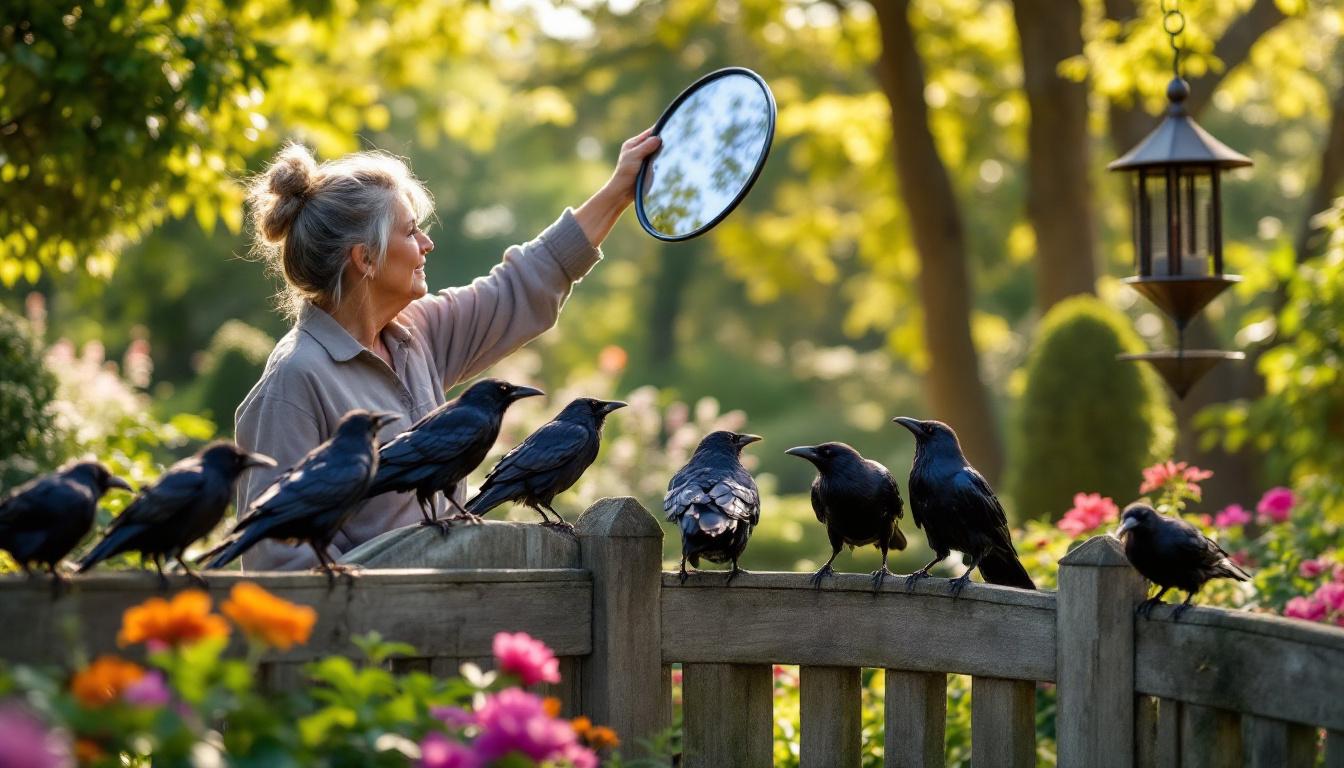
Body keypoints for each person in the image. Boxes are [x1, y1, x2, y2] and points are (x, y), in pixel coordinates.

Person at [234, 129, 661, 570]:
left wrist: (619, 192)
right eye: (411, 231)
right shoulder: (293, 381)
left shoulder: (415, 335)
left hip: (454, 617)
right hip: (377, 633)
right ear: (365, 258)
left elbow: (522, 284)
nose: (426, 244)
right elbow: (281, 563)